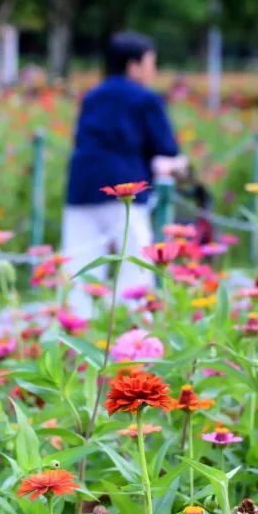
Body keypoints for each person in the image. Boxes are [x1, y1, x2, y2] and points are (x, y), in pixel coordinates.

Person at [61, 31, 186, 314]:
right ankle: (134, 338)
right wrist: (179, 166)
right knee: (135, 269)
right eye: (151, 63)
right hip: (125, 189)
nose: (154, 71)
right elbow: (166, 150)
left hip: (82, 187)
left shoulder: (92, 97)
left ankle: (77, 331)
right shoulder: (145, 99)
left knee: (79, 269)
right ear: (133, 65)